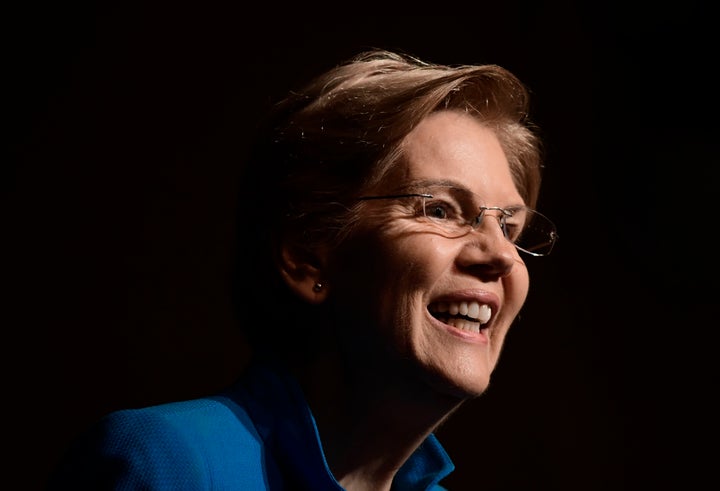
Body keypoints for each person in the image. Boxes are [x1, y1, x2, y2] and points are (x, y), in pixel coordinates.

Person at [47, 48, 558, 491]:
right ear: (308, 255)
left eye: (509, 228)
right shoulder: (167, 465)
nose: (501, 256)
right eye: (440, 210)